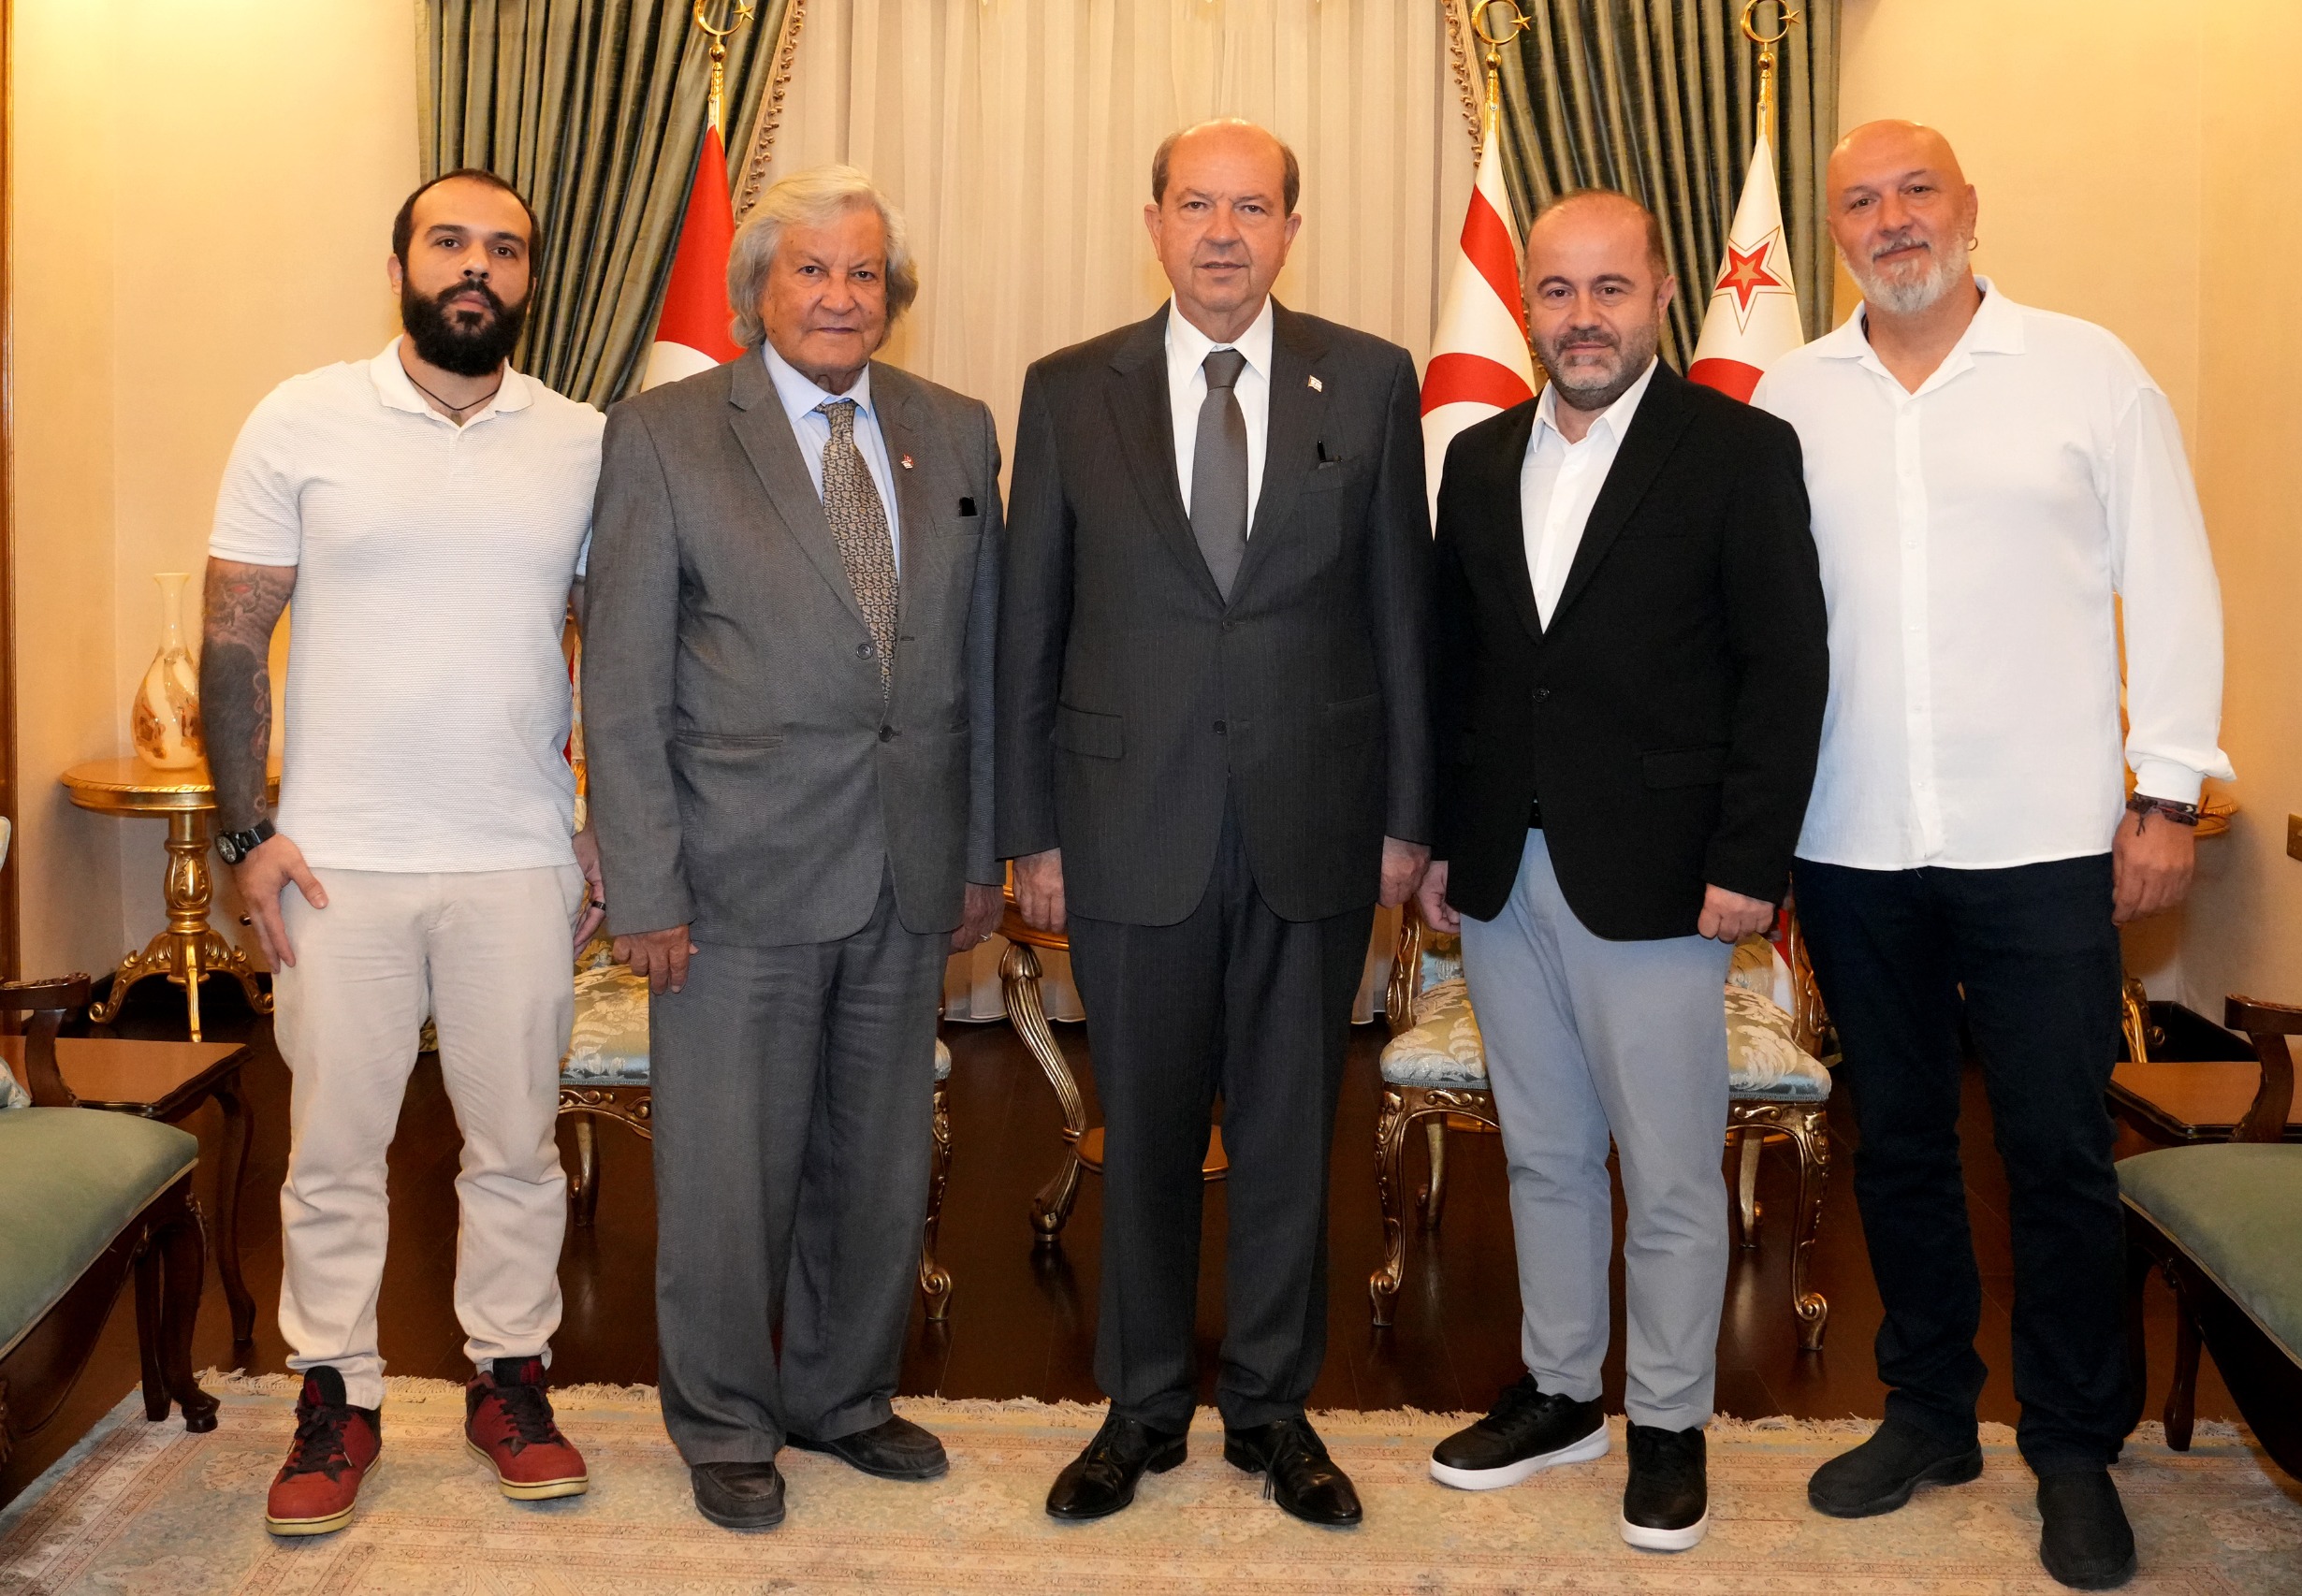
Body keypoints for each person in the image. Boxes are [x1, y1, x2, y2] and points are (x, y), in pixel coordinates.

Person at [1751, 121, 2231, 1592]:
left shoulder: (2089, 370)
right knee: (1897, 1136)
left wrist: (2165, 793)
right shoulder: (1790, 394)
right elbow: (1760, 623)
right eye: (1861, 201)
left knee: (2055, 1146)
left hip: (2044, 841)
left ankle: (2074, 1447)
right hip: (1852, 838)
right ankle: (1929, 1409)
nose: (1893, 219)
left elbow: (2175, 577)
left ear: (1970, 207)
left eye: (1918, 191)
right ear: (1835, 231)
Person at [997, 118, 1433, 1528]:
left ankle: (1272, 1408)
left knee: (1292, 1131)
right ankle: (1138, 1408)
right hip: (1127, 824)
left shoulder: (1368, 380)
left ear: (1292, 228)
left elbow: (1402, 616)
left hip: (1317, 825)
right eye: (1198, 205)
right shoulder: (1071, 389)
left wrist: (1408, 818)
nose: (1225, 233)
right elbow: (1030, 624)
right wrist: (1031, 832)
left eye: (1253, 208)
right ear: (1155, 222)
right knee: (1147, 1129)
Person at [581, 166, 1004, 1533]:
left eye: (864, 273)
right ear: (757, 289)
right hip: (731, 879)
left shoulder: (955, 429)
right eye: (811, 270)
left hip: (906, 864)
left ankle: (845, 1397)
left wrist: (980, 852)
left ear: (894, 295)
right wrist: (645, 885)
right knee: (726, 1176)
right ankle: (723, 1421)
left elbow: (979, 663)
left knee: (877, 1163)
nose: (840, 296)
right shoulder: (665, 434)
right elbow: (622, 682)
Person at [1414, 190, 1827, 1551]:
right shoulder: (1479, 459)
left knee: (1668, 1170)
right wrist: (1440, 838)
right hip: (1501, 871)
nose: (1581, 317)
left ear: (1660, 296)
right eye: (1556, 290)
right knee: (1542, 1152)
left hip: (1663, 877)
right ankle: (1558, 1394)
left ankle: (1666, 1420)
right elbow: (1460, 672)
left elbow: (1784, 670)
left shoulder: (1739, 451)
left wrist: (1750, 861)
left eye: (1609, 288)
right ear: (1525, 306)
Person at [202, 168, 606, 1537]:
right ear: (399, 269)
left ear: (530, 281)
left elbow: (615, 644)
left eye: (504, 249)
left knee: (517, 1146)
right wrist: (247, 833)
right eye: (449, 242)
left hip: (519, 856)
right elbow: (232, 636)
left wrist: (605, 822)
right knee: (332, 1148)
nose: (475, 266)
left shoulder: (583, 440)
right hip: (337, 866)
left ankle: (511, 1382)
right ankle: (337, 1398)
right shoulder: (298, 417)